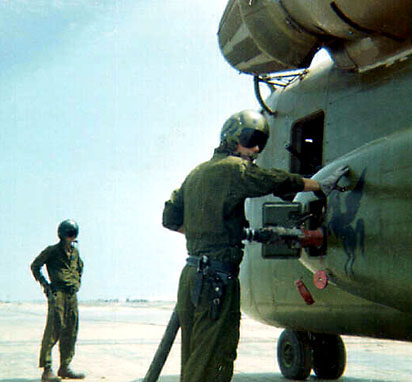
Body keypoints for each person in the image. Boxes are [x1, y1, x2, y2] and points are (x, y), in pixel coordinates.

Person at [162, 110, 348, 382]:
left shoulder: (196, 174)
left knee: (195, 356)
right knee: (213, 359)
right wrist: (318, 185)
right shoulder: (234, 169)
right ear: (232, 139)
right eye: (250, 140)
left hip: (192, 277)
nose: (256, 149)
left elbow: (170, 218)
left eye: (260, 142)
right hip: (217, 280)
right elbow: (273, 180)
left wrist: (212, 232)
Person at [31, 219, 85, 382]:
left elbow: (80, 267)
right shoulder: (52, 251)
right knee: (54, 330)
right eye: (68, 234)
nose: (71, 237)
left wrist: (77, 282)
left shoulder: (75, 252)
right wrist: (46, 286)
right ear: (62, 235)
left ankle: (65, 367)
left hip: (71, 295)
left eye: (73, 234)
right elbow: (35, 266)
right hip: (58, 294)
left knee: (71, 330)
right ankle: (47, 369)